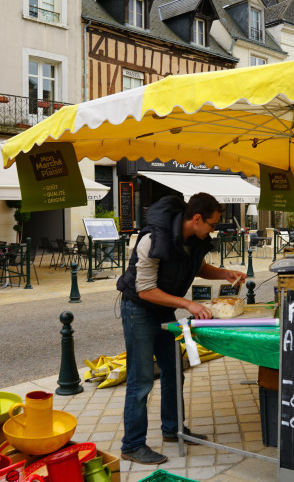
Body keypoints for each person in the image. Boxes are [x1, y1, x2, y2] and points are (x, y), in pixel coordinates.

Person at [116, 193, 247, 465]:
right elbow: (146, 290)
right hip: (138, 309)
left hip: (164, 308)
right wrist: (187, 304)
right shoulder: (153, 239)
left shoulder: (194, 240)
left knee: (174, 371)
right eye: (212, 224)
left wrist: (225, 273)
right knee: (140, 380)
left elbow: (198, 268)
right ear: (196, 219)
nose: (213, 230)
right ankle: (132, 444)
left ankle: (173, 430)